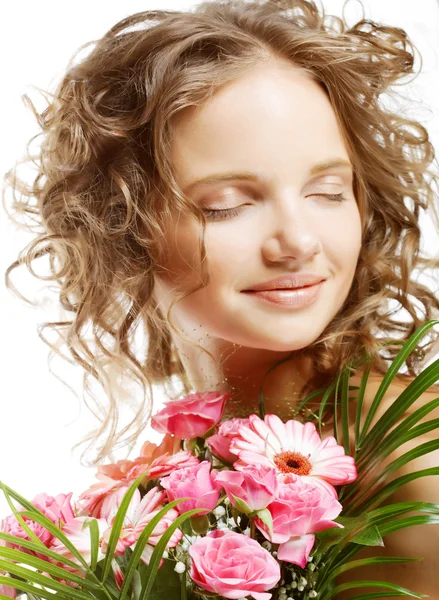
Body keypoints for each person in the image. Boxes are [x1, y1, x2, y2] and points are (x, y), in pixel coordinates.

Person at [2, 0, 439, 596]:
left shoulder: (411, 457)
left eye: (329, 191)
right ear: (122, 227)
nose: (298, 241)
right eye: (227, 204)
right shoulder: (189, 457)